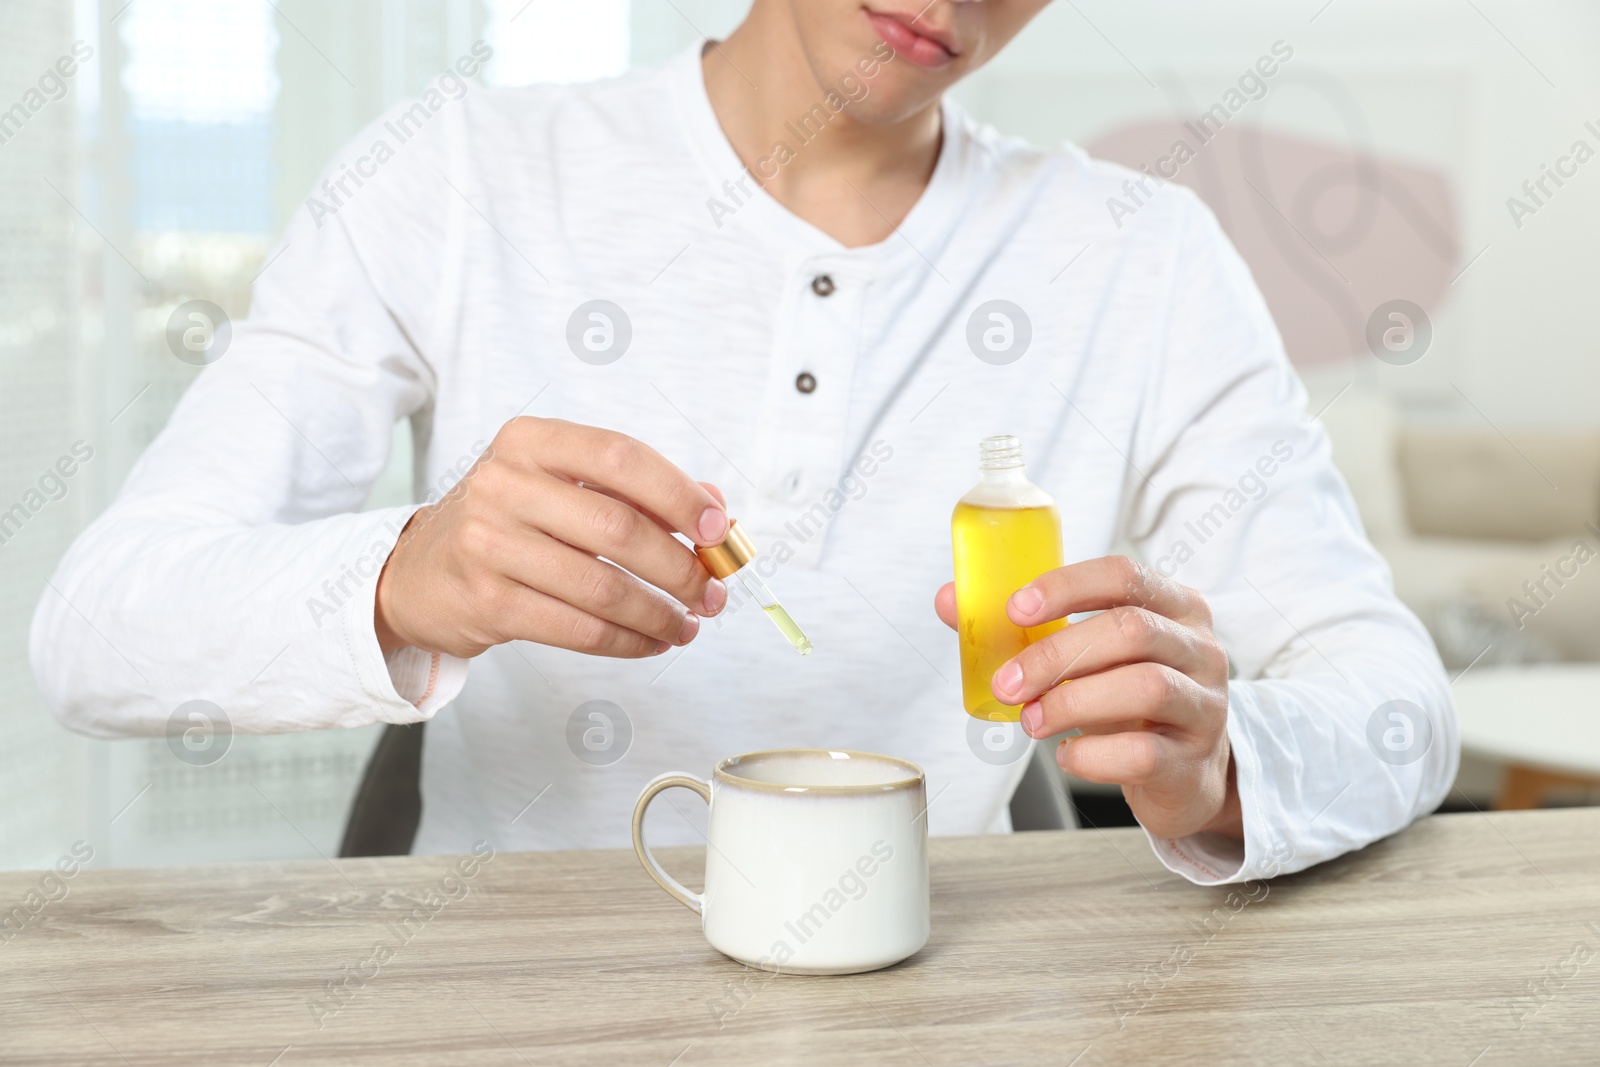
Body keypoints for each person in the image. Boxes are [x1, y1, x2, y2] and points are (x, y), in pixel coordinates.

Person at [31, 0, 1454, 884]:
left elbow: (1397, 702)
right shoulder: (457, 174)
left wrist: (1222, 764)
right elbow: (95, 635)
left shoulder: (1140, 257)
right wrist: (411, 572)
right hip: (503, 1009)